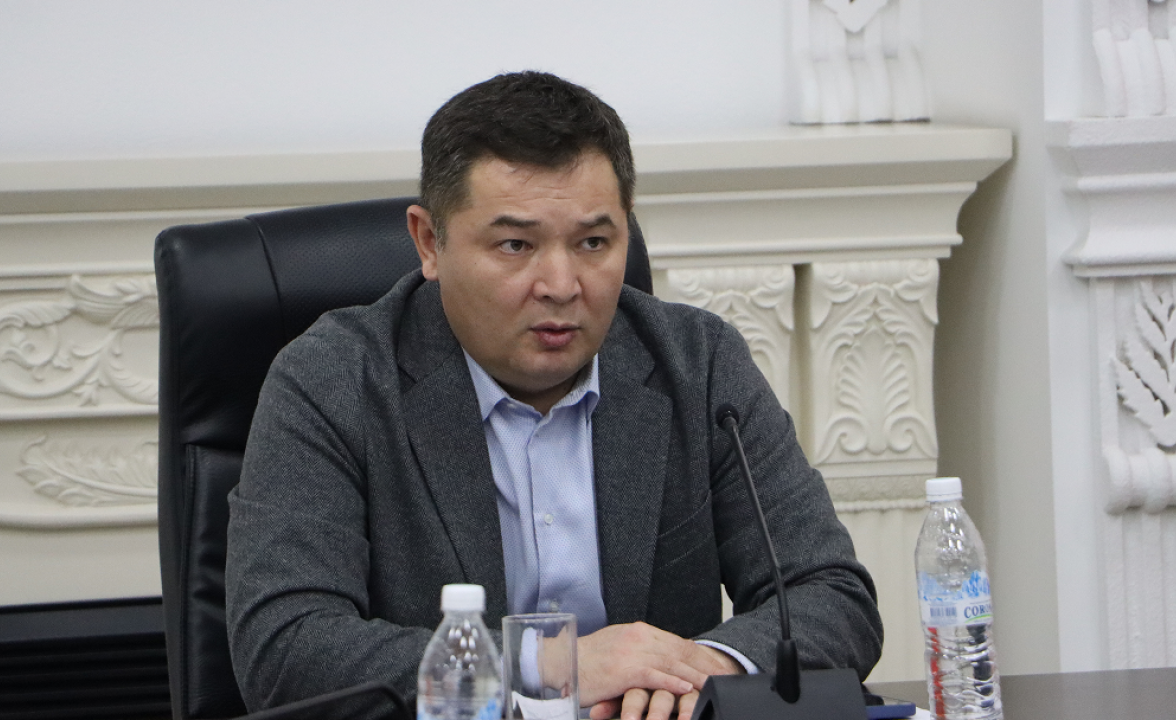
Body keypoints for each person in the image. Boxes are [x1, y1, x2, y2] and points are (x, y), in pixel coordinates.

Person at [226, 71, 882, 720]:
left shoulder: (698, 363)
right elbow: (285, 648)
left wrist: (704, 668)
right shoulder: (333, 380)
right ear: (429, 242)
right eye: (516, 245)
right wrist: (547, 665)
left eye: (594, 242)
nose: (562, 285)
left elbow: (830, 594)